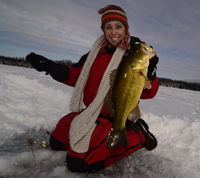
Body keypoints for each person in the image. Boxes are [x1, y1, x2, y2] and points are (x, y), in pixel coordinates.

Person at [26, 4, 159, 173]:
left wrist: (152, 73)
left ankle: (138, 135)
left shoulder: (133, 55)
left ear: (126, 28)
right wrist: (51, 67)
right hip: (91, 112)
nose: (113, 32)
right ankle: (94, 136)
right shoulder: (95, 52)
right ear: (103, 29)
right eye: (108, 27)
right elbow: (76, 76)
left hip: (116, 115)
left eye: (118, 26)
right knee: (56, 142)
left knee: (78, 163)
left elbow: (149, 92)